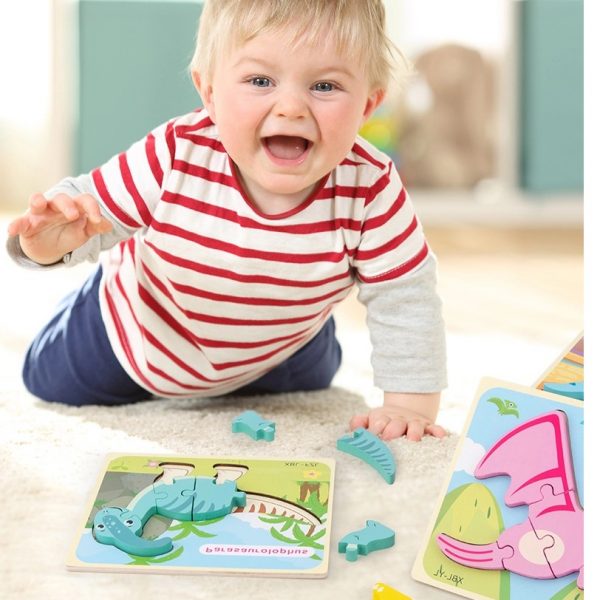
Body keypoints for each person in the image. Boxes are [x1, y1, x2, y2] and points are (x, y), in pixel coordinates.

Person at [6, 0, 447, 441]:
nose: (291, 107)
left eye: (325, 86)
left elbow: (405, 295)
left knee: (316, 375)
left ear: (367, 106)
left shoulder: (370, 187)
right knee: (46, 380)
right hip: (139, 336)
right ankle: (92, 297)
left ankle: (298, 330)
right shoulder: (175, 154)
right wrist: (46, 242)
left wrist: (408, 405)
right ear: (210, 93)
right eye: (261, 81)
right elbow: (89, 210)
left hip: (279, 352)